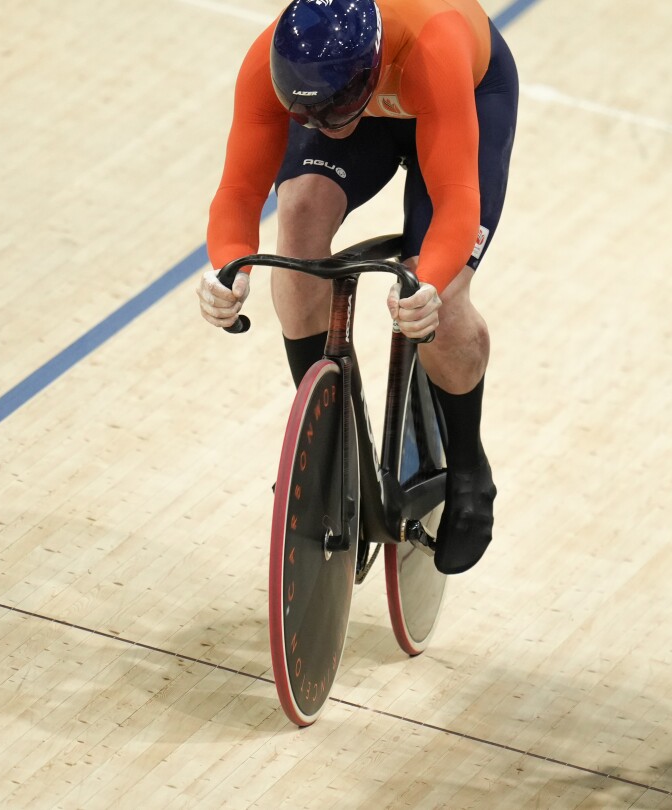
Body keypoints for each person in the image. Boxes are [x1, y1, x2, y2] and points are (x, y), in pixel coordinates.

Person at [196, 0, 517, 575]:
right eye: (308, 116)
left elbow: (458, 200)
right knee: (296, 214)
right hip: (357, 90)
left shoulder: (434, 45)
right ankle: (325, 441)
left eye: (332, 113)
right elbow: (241, 191)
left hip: (458, 95)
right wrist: (227, 268)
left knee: (434, 288)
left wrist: (433, 286)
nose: (323, 128)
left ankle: (469, 465)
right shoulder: (271, 64)